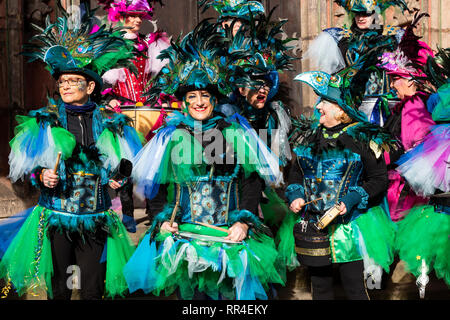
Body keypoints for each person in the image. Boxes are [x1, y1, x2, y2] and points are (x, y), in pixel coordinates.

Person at [122, 20, 285, 300]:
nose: (199, 102)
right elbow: (157, 188)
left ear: (214, 99)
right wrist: (162, 221)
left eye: (205, 96)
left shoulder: (233, 132)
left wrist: (244, 222)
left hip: (228, 235)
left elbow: (251, 183)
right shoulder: (170, 136)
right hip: (184, 236)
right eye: (192, 96)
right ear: (183, 102)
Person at [0, 6, 141, 300]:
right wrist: (43, 175)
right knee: (61, 289)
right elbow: (29, 169)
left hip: (96, 217)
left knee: (91, 287)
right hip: (58, 217)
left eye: (72, 81)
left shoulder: (110, 123)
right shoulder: (46, 122)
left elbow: (127, 164)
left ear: (90, 85)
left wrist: (117, 179)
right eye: (61, 82)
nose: (65, 86)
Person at [277, 70, 396, 300]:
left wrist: (351, 199)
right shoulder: (309, 137)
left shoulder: (364, 139)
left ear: (341, 109)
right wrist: (296, 196)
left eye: (325, 101)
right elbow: (295, 176)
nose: (318, 106)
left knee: (355, 289)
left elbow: (379, 179)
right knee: (319, 289)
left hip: (349, 227)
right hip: (313, 227)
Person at [98, 0, 171, 228]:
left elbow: (154, 75)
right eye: (132, 15)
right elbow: (101, 80)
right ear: (120, 16)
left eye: (141, 15)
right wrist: (109, 99)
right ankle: (128, 212)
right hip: (120, 108)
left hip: (146, 107)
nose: (138, 20)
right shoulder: (110, 44)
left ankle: (154, 207)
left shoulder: (148, 43)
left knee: (154, 160)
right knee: (125, 161)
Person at [393, 47, 450, 298]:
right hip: (437, 151)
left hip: (437, 149)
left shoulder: (433, 98)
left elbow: (435, 111)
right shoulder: (432, 97)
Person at [303, 0, 410, 126]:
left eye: (366, 14)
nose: (360, 18)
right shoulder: (341, 39)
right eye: (357, 13)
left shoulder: (392, 38)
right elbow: (333, 77)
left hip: (386, 106)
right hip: (351, 108)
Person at [377, 14, 436, 221]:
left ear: (410, 80)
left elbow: (414, 149)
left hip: (405, 193)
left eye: (395, 79)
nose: (392, 85)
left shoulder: (413, 106)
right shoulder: (408, 105)